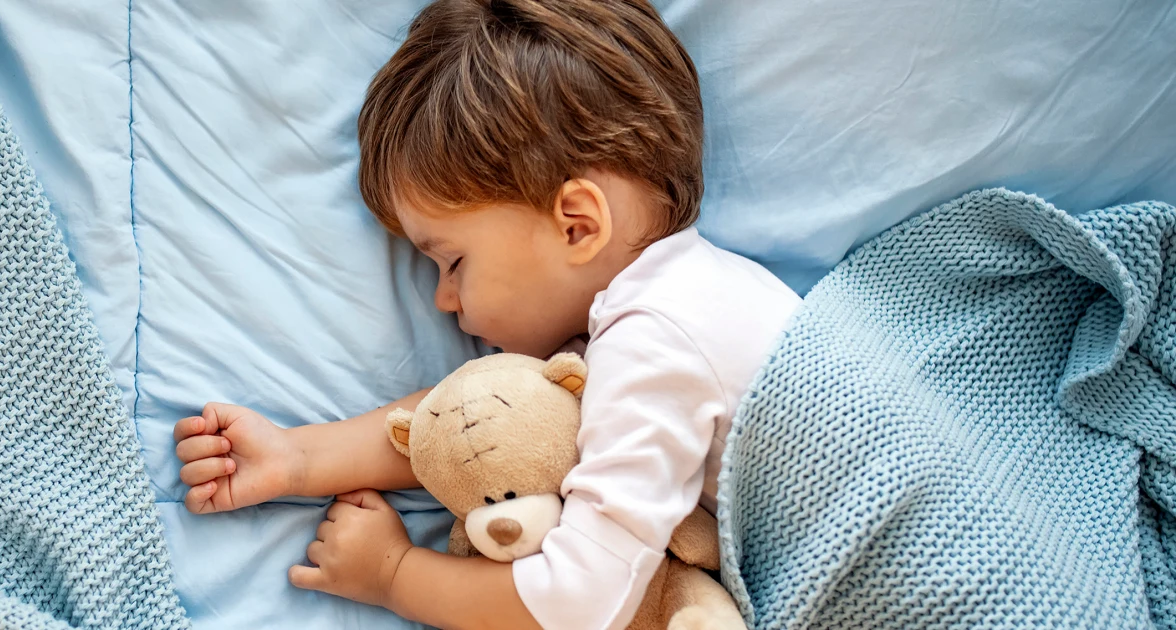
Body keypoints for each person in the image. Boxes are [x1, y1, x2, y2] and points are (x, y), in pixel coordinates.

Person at [171, 1, 801, 628]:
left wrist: (393, 575)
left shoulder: (657, 340)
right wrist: (295, 459)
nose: (445, 300)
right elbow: (479, 423)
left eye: (452, 262)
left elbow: (581, 600)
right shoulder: (672, 306)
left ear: (577, 225)